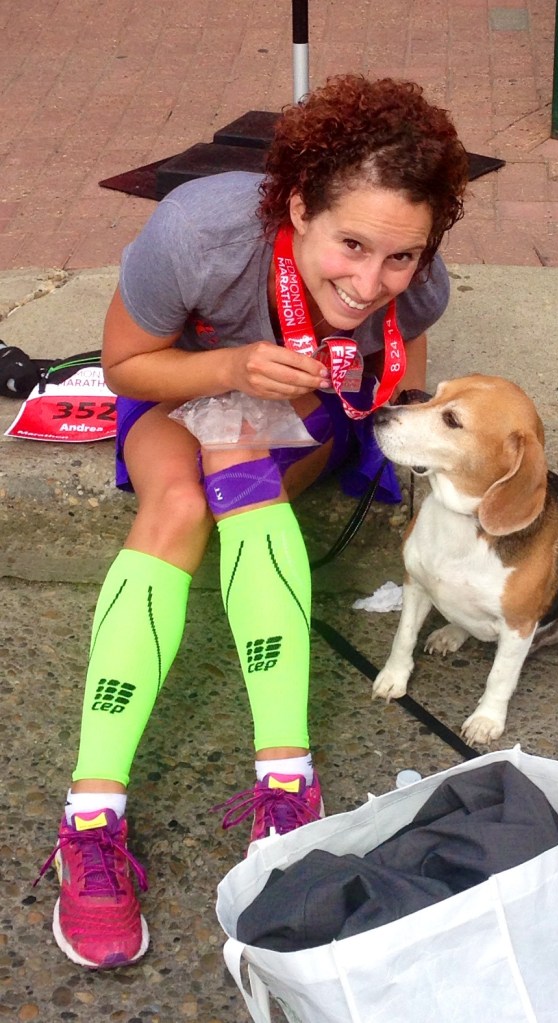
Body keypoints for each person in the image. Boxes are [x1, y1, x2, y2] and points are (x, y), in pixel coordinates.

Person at [38, 73, 468, 970]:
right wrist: (232, 369)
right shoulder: (199, 232)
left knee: (237, 464)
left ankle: (287, 780)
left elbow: (394, 384)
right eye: (351, 244)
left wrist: (314, 398)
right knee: (180, 499)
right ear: (301, 206)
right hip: (177, 383)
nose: (371, 281)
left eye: (401, 256)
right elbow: (125, 364)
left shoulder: (417, 281)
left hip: (305, 415)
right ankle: (91, 816)